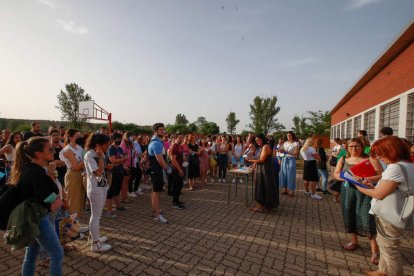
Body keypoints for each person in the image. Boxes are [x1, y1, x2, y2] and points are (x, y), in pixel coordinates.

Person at [355, 136, 414, 276]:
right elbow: (393, 187)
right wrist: (372, 185)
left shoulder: (395, 167)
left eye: (382, 153)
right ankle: (382, 270)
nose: (380, 157)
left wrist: (359, 187)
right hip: (399, 211)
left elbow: (379, 194)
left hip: (389, 214)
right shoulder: (410, 165)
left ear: (392, 151)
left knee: (390, 250)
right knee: (385, 245)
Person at [9, 137, 63, 275]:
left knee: (31, 256)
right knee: (57, 254)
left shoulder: (27, 168)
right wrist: (51, 175)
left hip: (30, 218)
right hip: (38, 218)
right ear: (39, 154)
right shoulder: (37, 172)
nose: (54, 150)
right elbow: (48, 197)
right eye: (50, 149)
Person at [334, 138, 383, 265]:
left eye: (356, 146)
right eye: (351, 146)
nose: (354, 148)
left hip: (366, 191)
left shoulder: (370, 159)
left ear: (362, 147)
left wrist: (365, 178)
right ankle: (354, 241)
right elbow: (336, 174)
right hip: (348, 190)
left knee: (367, 218)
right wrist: (347, 178)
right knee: (349, 214)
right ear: (347, 148)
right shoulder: (344, 159)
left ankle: (375, 250)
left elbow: (381, 174)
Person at [84, 133, 112, 252]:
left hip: (101, 187)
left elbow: (101, 172)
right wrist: (101, 158)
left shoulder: (99, 153)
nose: (107, 148)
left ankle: (94, 237)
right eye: (106, 145)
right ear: (97, 145)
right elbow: (98, 173)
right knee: (95, 217)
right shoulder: (90, 155)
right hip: (95, 189)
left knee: (97, 216)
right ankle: (95, 244)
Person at [245, 134, 279, 212]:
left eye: (259, 140)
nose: (258, 141)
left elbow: (261, 160)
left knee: (263, 186)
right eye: (256, 140)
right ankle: (265, 205)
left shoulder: (265, 147)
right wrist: (253, 158)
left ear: (263, 139)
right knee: (263, 186)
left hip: (265, 169)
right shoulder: (261, 147)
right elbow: (258, 158)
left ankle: (261, 206)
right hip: (262, 169)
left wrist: (250, 160)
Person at [59, 129, 86, 217]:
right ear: (70, 137)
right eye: (77, 136)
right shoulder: (67, 150)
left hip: (81, 174)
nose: (80, 138)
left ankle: (76, 225)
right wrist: (86, 158)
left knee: (80, 200)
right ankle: (71, 227)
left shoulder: (79, 148)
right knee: (73, 201)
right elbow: (76, 167)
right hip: (73, 175)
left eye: (80, 136)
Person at [148, 123, 171, 224]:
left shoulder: (156, 141)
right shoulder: (156, 143)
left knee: (155, 192)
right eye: (161, 130)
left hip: (156, 170)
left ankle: (155, 210)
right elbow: (160, 160)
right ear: (155, 131)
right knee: (156, 193)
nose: (163, 131)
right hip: (157, 171)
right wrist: (168, 168)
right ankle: (157, 215)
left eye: (163, 129)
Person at [105, 132, 127, 218]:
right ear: (113, 139)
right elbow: (113, 161)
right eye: (118, 138)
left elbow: (120, 160)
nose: (120, 140)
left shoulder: (120, 149)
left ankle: (118, 206)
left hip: (120, 171)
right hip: (112, 173)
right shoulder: (111, 148)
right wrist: (123, 159)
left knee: (117, 190)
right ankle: (109, 211)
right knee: (110, 192)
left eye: (120, 138)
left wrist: (121, 161)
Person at [279, 131, 299, 197]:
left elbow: (296, 154)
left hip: (291, 159)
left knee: (291, 175)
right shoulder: (285, 143)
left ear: (292, 135)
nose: (288, 137)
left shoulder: (295, 143)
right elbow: (282, 152)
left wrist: (286, 151)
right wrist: (281, 151)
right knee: (284, 174)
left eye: (290, 135)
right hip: (284, 159)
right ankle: (285, 190)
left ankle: (292, 191)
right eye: (287, 135)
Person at [169, 133, 186, 209]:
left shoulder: (179, 146)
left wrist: (184, 158)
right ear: (175, 138)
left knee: (180, 185)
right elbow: (173, 160)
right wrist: (179, 169)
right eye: (179, 138)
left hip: (180, 168)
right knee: (176, 186)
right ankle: (174, 203)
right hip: (176, 169)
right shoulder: (174, 147)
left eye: (182, 138)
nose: (181, 139)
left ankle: (177, 200)